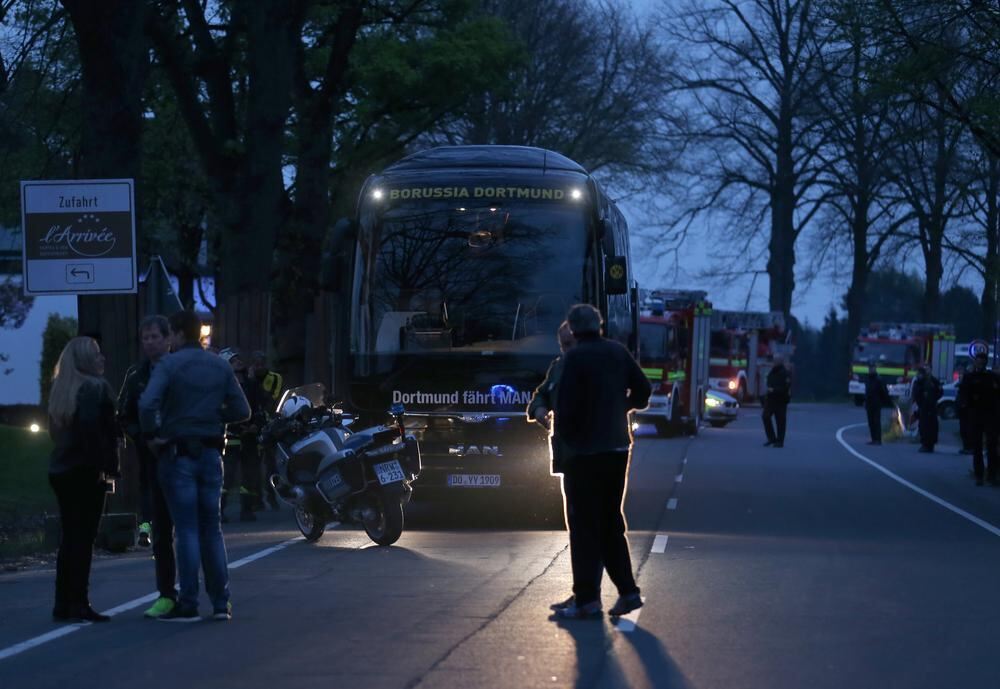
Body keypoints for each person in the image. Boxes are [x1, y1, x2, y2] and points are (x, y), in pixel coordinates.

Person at [139, 310, 250, 622]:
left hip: (178, 452)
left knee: (185, 530)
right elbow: (243, 410)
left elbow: (147, 403)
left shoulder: (169, 365)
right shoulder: (219, 365)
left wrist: (154, 434)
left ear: (175, 334)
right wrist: (213, 417)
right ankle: (220, 602)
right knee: (211, 528)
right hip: (212, 452)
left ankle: (188, 601)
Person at [551, 304, 651, 620]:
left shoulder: (574, 359)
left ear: (573, 329)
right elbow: (644, 392)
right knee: (610, 521)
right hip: (618, 449)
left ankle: (587, 600)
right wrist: (620, 407)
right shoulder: (617, 352)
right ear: (599, 325)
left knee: (583, 526)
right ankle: (628, 592)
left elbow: (564, 407)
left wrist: (570, 437)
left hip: (584, 454)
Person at [47, 336, 120, 623]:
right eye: (97, 354)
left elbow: (56, 433)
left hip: (61, 470)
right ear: (86, 360)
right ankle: (79, 602)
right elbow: (94, 432)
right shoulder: (95, 388)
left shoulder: (61, 389)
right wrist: (108, 466)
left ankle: (62, 602)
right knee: (83, 538)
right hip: (86, 471)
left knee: (69, 537)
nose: (102, 358)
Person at [117, 315, 178, 619]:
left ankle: (212, 593)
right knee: (162, 530)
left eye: (155, 336)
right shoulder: (136, 375)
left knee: (196, 529)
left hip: (185, 458)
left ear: (169, 339)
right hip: (152, 461)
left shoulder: (183, 369)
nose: (150, 342)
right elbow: (124, 414)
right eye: (146, 338)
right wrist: (143, 437)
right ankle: (167, 593)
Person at [219, 348, 267, 521]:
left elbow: (259, 408)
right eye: (234, 360)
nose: (239, 362)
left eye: (238, 359)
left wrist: (256, 425)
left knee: (250, 474)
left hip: (250, 437)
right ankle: (220, 510)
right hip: (231, 436)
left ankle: (247, 509)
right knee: (227, 475)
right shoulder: (221, 387)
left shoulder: (252, 384)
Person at [527, 322, 575, 475]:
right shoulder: (559, 367)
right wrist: (539, 409)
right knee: (572, 497)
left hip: (596, 453)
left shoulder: (603, 365)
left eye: (569, 344)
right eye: (563, 345)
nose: (566, 350)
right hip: (568, 454)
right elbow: (543, 394)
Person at [957, 342, 999, 486]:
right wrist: (965, 410)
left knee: (992, 446)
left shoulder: (992, 378)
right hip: (975, 415)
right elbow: (963, 396)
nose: (980, 364)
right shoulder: (969, 378)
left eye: (982, 362)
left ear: (985, 363)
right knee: (977, 447)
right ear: (975, 362)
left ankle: (992, 475)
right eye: (978, 362)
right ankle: (979, 475)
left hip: (991, 416)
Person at [249, 351, 281, 510]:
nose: (259, 367)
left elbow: (271, 398)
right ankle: (257, 498)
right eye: (256, 364)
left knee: (271, 463)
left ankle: (273, 495)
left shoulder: (275, 378)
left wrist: (255, 384)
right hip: (255, 424)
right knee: (254, 463)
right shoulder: (249, 380)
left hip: (270, 424)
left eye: (261, 364)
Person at [910, 364, 943, 453]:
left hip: (931, 407)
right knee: (923, 426)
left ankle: (929, 445)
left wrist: (933, 400)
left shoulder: (934, 381)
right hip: (923, 407)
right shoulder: (920, 381)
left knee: (931, 427)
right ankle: (925, 444)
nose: (927, 371)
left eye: (928, 369)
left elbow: (939, 392)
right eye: (925, 369)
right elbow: (916, 393)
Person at [762, 356, 791, 448]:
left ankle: (780, 441)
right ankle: (771, 438)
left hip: (781, 400)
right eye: (773, 361)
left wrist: (774, 390)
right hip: (770, 399)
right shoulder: (772, 371)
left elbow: (786, 387)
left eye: (775, 361)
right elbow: (768, 381)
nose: (773, 362)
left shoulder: (785, 373)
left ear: (779, 362)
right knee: (765, 417)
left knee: (780, 421)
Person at [863, 361, 891, 445]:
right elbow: (867, 391)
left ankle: (878, 439)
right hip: (869, 403)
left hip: (876, 403)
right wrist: (865, 401)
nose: (871, 370)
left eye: (872, 368)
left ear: (875, 369)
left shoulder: (879, 379)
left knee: (876, 422)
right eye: (870, 368)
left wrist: (883, 401)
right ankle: (873, 439)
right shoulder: (868, 379)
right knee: (871, 422)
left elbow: (884, 392)